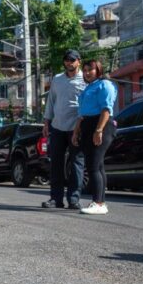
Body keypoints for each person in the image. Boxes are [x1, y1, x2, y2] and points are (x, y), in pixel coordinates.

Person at [41, 49, 86, 210]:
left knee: (76, 164)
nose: (69, 63)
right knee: (56, 165)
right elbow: (51, 102)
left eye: (72, 60)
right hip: (57, 127)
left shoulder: (85, 79)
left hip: (77, 128)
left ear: (79, 61)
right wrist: (46, 123)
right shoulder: (57, 79)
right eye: (67, 60)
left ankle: (74, 199)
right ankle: (55, 199)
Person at [72, 59, 117, 215]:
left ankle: (98, 202)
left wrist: (98, 130)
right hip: (87, 124)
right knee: (98, 166)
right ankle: (101, 202)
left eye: (90, 69)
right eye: (84, 70)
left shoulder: (105, 85)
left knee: (92, 165)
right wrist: (76, 131)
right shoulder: (88, 88)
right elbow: (81, 113)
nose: (87, 73)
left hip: (101, 124)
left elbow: (106, 109)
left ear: (98, 69)